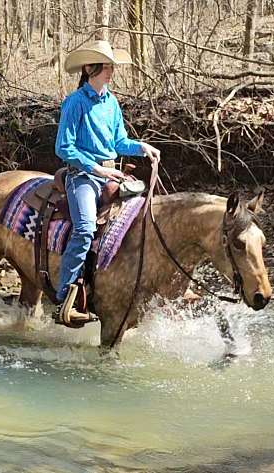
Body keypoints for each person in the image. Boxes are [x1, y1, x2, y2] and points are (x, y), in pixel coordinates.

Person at [54, 40, 160, 323]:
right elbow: (64, 148)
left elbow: (118, 141)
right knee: (86, 228)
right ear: (91, 68)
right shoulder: (74, 102)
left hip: (112, 174)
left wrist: (142, 147)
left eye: (112, 66)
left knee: (143, 221)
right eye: (107, 66)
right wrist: (98, 170)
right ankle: (63, 297)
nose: (112, 71)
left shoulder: (111, 102)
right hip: (83, 176)